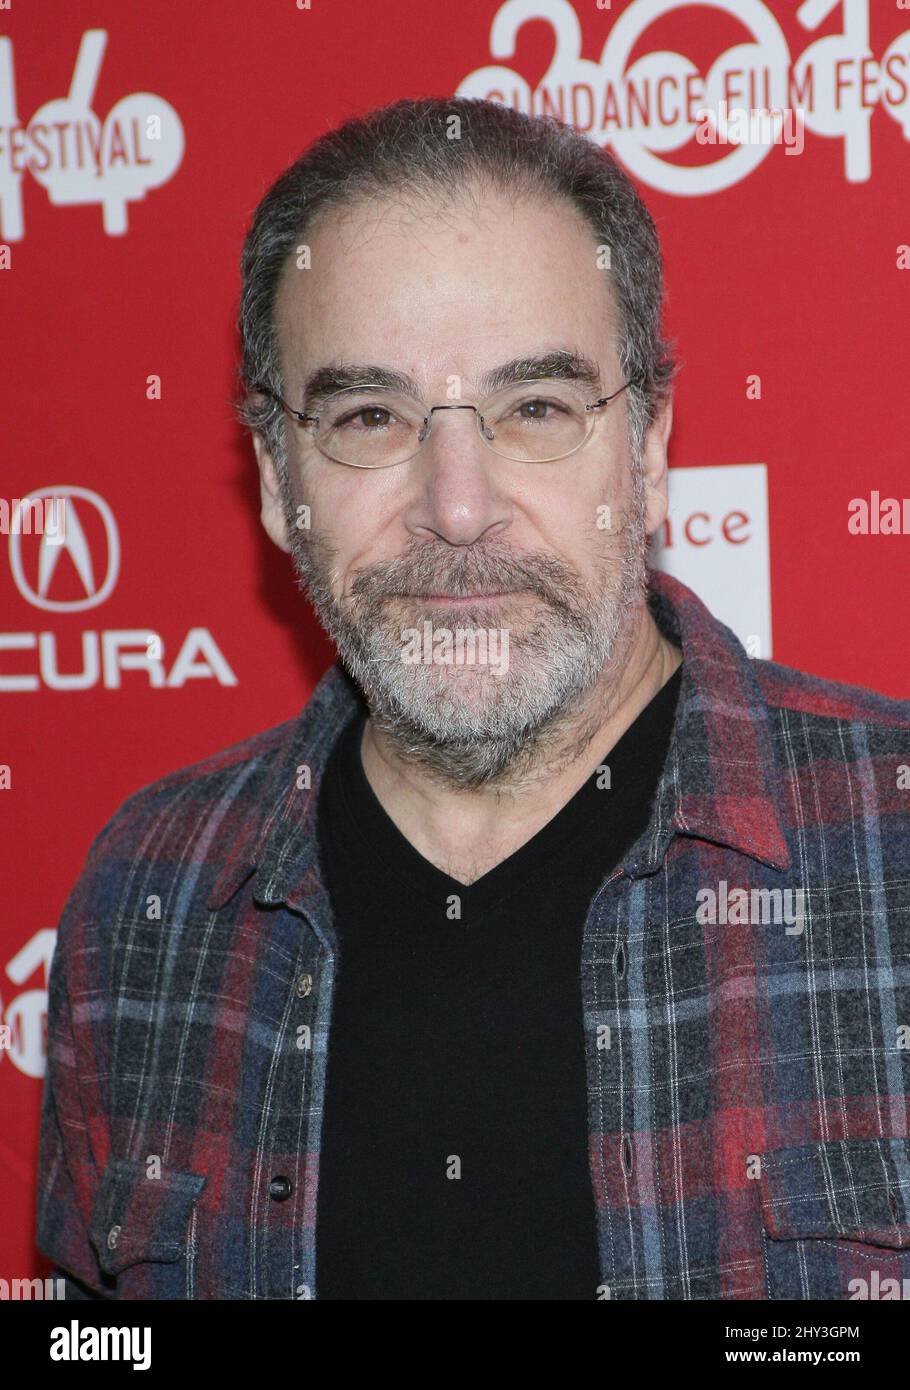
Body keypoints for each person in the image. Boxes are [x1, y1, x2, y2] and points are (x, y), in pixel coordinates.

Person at [36, 97, 910, 1302]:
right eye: (369, 418)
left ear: (649, 447)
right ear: (279, 480)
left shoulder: (893, 847)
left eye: (535, 409)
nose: (456, 506)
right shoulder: (148, 900)